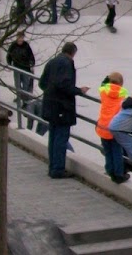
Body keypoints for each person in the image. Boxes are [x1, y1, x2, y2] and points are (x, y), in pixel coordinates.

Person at [38, 42, 89, 178]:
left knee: (53, 137)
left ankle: (52, 167)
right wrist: (79, 90)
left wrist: (50, 93)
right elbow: (64, 85)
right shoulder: (67, 64)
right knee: (61, 138)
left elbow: (42, 83)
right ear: (73, 53)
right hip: (62, 107)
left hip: (50, 105)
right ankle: (58, 169)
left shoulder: (52, 62)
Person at [96, 72, 130, 184]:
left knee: (108, 150)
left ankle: (110, 170)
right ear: (121, 83)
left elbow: (102, 85)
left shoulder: (104, 91)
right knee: (117, 152)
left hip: (102, 126)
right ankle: (118, 174)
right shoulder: (123, 93)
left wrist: (106, 79)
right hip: (115, 127)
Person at [6, 32, 36, 103]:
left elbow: (31, 55)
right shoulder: (13, 46)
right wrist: (9, 64)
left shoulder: (26, 45)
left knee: (26, 83)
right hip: (17, 67)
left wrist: (32, 63)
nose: (20, 40)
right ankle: (19, 96)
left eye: (22, 38)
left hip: (25, 67)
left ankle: (25, 97)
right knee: (17, 83)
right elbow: (9, 56)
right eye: (19, 38)